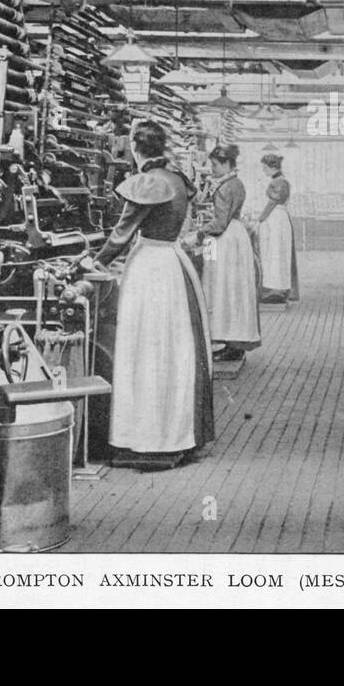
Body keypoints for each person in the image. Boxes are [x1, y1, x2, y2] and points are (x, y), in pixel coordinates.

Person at [80, 121, 214, 468]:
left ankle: (146, 440)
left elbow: (122, 234)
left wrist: (91, 263)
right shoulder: (178, 179)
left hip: (149, 269)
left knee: (144, 352)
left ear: (136, 149)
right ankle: (174, 435)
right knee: (172, 351)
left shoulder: (149, 182)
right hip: (172, 264)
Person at [195, 144, 261, 361]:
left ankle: (228, 339)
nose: (211, 168)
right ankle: (234, 340)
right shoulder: (236, 183)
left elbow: (220, 222)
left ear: (226, 164)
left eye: (214, 165)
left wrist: (198, 232)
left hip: (224, 239)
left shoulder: (224, 187)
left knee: (220, 287)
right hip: (236, 236)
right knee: (234, 289)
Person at [256, 153, 299, 303]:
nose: (263, 171)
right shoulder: (281, 180)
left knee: (275, 253)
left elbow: (272, 203)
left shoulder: (278, 181)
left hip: (276, 219)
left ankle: (276, 289)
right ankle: (276, 288)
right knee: (276, 253)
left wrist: (261, 219)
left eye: (264, 168)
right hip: (278, 219)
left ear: (271, 167)